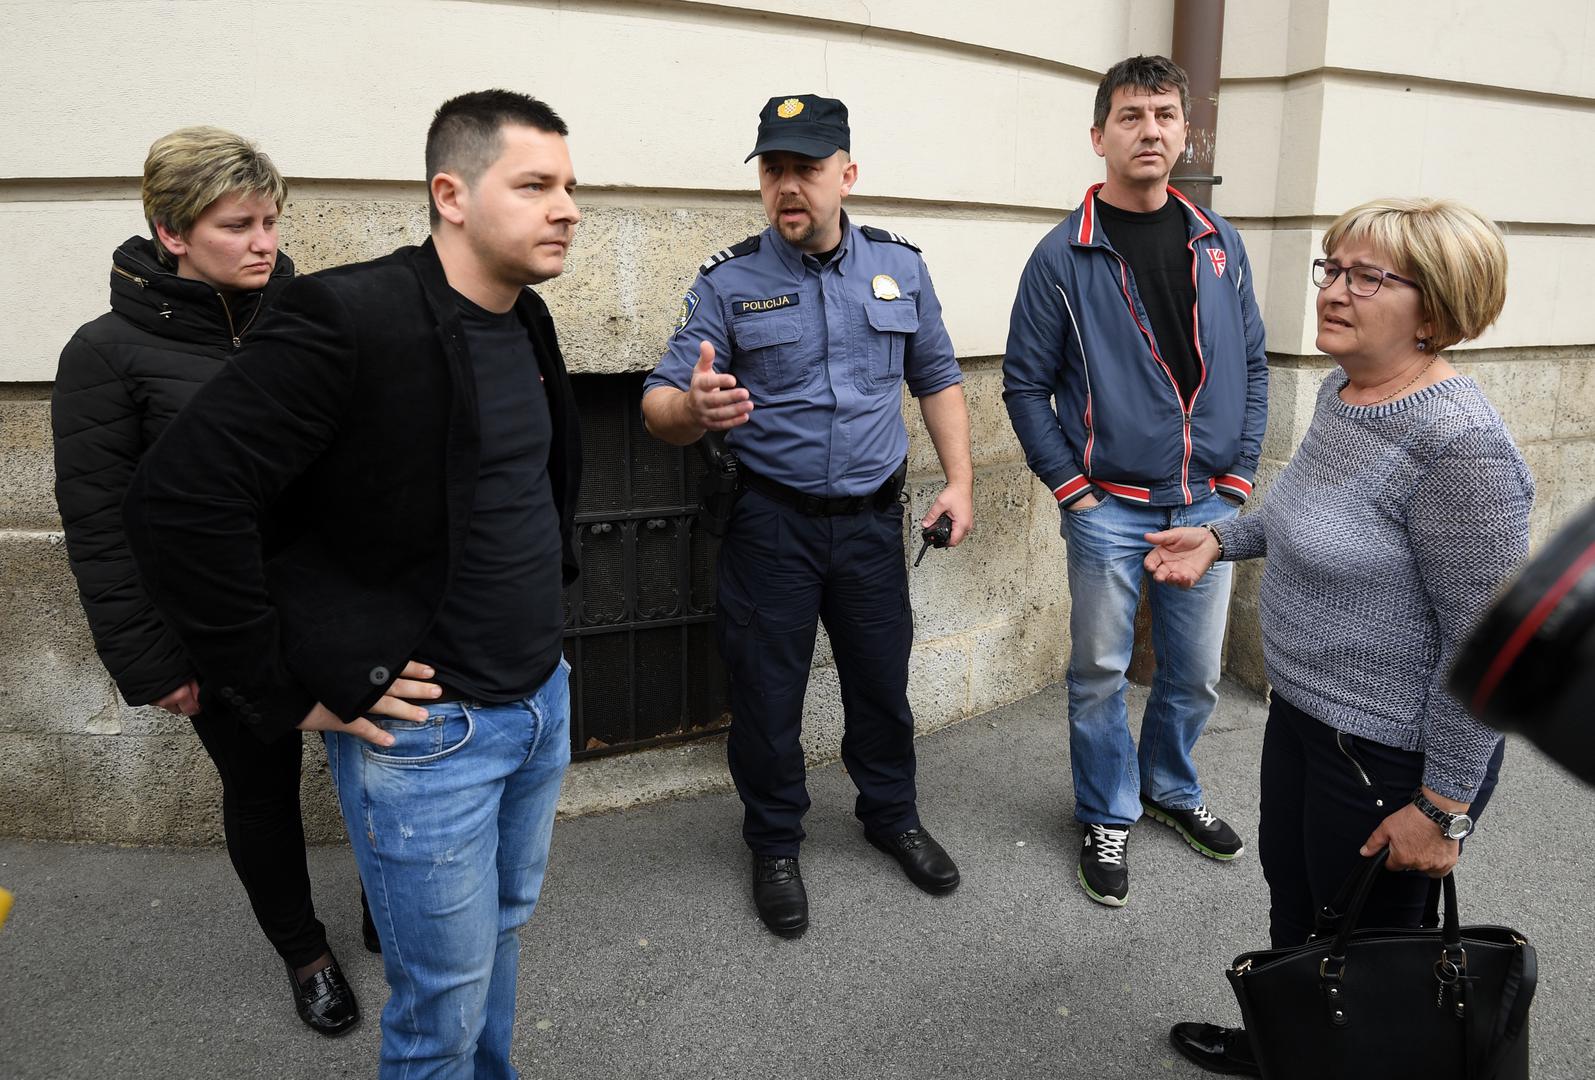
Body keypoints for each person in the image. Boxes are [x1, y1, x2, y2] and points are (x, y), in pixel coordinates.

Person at [122, 90, 583, 1078]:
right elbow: (181, 499)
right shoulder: (349, 314)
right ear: (450, 195)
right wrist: (284, 684)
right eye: (535, 185)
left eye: (569, 186)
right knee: (438, 1010)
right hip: (430, 736)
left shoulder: (526, 318)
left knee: (500, 935)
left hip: (538, 699)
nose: (567, 209)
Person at [1146, 197, 1531, 1076]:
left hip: (1389, 754)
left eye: (1368, 277)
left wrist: (1442, 810)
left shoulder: (1460, 447)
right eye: (1333, 268)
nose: (1333, 290)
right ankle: (1288, 1047)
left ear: (1433, 309)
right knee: (1298, 911)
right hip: (1304, 716)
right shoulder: (1346, 392)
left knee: (1370, 958)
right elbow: (1303, 510)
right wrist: (1220, 539)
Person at [50, 126, 368, 1036]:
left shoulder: (312, 323)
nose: (264, 242)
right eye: (238, 225)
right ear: (172, 231)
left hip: (334, 611)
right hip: (215, 630)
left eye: (271, 221)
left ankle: (387, 908)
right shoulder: (105, 353)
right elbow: (101, 525)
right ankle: (306, 956)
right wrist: (151, 661)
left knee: (379, 775)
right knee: (260, 791)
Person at [642, 94, 974, 938]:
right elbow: (657, 403)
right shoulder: (727, 282)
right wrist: (692, 408)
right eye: (773, 169)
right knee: (765, 695)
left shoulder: (899, 267)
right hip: (771, 527)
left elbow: (936, 376)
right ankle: (774, 842)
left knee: (880, 683)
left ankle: (891, 815)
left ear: (846, 174)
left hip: (870, 525)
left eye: (807, 168)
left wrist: (959, 481)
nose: (788, 185)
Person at [1002, 55, 1268, 907]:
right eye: (1129, 116)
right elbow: (1023, 385)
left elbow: (1252, 364)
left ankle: (1170, 788)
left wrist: (1237, 477)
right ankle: (1105, 810)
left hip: (1206, 504)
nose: (1148, 130)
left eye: (1163, 115)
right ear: (1099, 136)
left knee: (1193, 673)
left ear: (1184, 131)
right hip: (1108, 508)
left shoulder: (1218, 243)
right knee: (1098, 674)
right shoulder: (1061, 254)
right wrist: (1071, 491)